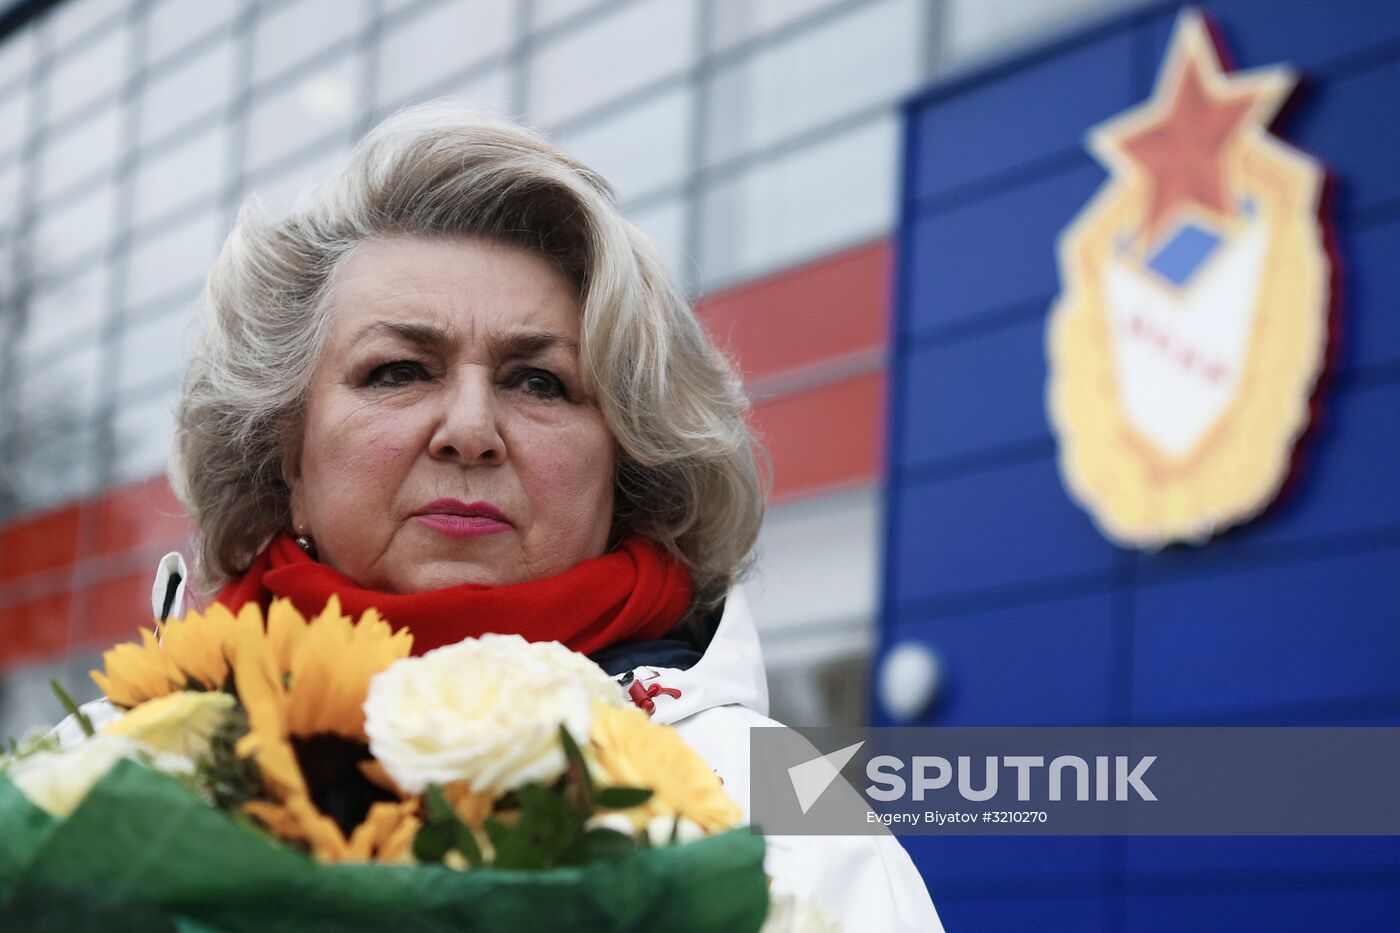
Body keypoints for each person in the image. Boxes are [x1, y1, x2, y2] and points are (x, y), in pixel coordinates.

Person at [161, 103, 942, 931]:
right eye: (398, 370)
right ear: (288, 450)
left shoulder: (793, 815)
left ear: (627, 460)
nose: (469, 429)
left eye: (538, 382)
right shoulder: (115, 760)